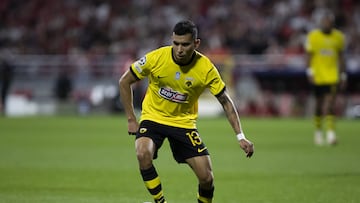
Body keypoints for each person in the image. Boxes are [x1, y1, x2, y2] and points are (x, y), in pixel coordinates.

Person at [119, 20, 254, 203]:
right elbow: (124, 81)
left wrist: (240, 136)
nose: (179, 49)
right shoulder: (157, 57)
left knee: (207, 178)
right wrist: (131, 118)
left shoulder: (205, 68)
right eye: (176, 43)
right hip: (153, 117)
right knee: (143, 153)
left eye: (185, 44)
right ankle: (160, 202)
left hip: (183, 123)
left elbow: (225, 101)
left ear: (196, 44)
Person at [304, 9, 347, 146]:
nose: (327, 24)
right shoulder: (313, 37)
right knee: (318, 105)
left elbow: (341, 57)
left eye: (330, 22)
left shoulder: (338, 37)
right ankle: (318, 132)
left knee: (330, 105)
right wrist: (309, 72)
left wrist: (343, 74)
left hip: (332, 76)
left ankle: (330, 134)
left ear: (333, 23)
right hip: (318, 76)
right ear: (321, 23)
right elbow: (308, 56)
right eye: (325, 22)